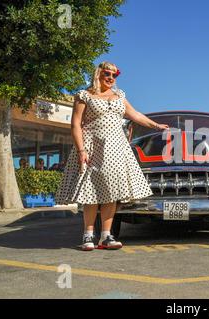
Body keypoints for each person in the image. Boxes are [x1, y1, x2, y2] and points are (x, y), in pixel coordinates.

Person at [55, 61, 169, 251]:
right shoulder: (84, 95)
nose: (110, 78)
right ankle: (87, 236)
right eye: (107, 73)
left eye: (114, 75)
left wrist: (156, 126)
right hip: (92, 146)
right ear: (98, 73)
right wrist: (81, 150)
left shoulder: (119, 96)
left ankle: (106, 236)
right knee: (91, 191)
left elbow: (135, 115)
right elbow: (75, 125)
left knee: (112, 191)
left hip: (117, 148)